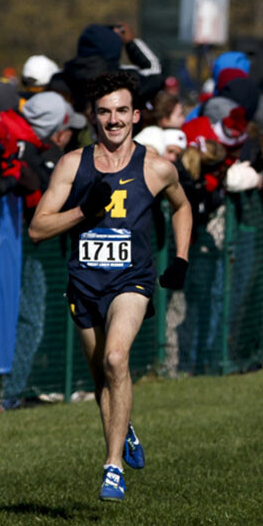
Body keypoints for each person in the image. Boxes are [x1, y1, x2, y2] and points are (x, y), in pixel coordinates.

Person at [28, 71, 193, 503]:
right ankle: (124, 423)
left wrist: (180, 258)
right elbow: (37, 229)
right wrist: (83, 210)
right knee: (103, 375)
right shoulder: (73, 164)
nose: (114, 119)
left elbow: (182, 206)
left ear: (136, 115)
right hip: (84, 283)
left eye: (122, 111)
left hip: (131, 281)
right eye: (105, 112)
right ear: (93, 116)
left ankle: (113, 467)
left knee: (116, 359)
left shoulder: (156, 167)